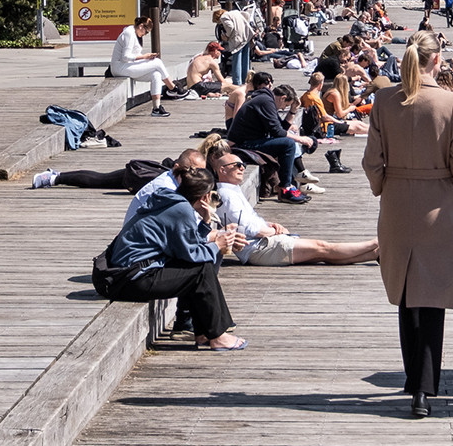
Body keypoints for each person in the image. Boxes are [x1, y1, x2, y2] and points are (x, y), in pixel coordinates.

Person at [363, 28, 453, 418]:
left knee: (406, 293)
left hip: (396, 201)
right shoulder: (450, 101)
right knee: (433, 297)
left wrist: (383, 187)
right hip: (437, 206)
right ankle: (425, 386)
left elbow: (371, 161)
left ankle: (415, 382)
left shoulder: (384, 99)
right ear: (437, 61)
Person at [102, 163, 247, 350]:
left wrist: (205, 222)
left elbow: (184, 245)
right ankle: (217, 335)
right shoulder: (181, 210)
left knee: (197, 267)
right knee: (201, 269)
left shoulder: (169, 199)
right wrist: (217, 246)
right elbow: (193, 254)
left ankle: (203, 333)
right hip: (131, 278)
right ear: (205, 196)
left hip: (127, 273)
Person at [212, 152, 379, 264]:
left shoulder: (232, 191)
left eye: (243, 166)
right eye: (237, 165)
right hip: (258, 248)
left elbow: (249, 220)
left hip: (262, 243)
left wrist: (269, 224)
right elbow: (249, 228)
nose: (242, 168)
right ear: (222, 170)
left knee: (321, 253)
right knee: (322, 247)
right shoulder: (226, 195)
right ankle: (377, 243)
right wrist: (276, 232)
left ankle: (375, 254)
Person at [227, 71, 310, 204]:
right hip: (243, 144)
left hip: (250, 140)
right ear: (282, 98)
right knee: (288, 144)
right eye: (286, 106)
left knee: (288, 142)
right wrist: (301, 139)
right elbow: (277, 132)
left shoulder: (266, 100)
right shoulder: (266, 101)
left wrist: (292, 111)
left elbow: (281, 128)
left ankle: (290, 183)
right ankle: (285, 188)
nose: (284, 108)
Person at [33, 147, 206, 193]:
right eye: (194, 170)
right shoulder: (166, 182)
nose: (199, 175)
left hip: (143, 176)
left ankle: (57, 176)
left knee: (100, 179)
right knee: (99, 180)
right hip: (141, 177)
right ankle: (55, 177)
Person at [111, 17, 177, 117]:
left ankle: (156, 108)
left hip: (127, 66)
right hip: (119, 67)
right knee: (157, 62)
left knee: (156, 75)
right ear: (141, 26)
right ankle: (173, 88)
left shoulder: (136, 35)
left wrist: (146, 58)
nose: (145, 34)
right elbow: (125, 57)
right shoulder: (129, 33)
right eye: (146, 32)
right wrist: (144, 57)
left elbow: (133, 57)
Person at [215, 3, 252, 86]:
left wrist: (226, 36)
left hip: (237, 38)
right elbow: (246, 14)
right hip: (246, 35)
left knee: (236, 59)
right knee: (245, 59)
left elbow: (230, 27)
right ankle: (245, 79)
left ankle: (237, 81)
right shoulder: (235, 12)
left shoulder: (224, 17)